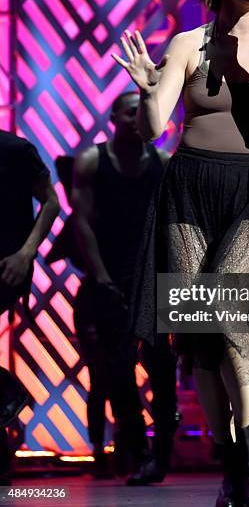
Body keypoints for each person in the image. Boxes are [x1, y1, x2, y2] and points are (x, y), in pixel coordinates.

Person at [113, 0, 249, 507]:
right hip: (190, 187)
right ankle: (231, 464)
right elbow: (153, 126)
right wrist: (149, 91)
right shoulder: (188, 42)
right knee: (197, 334)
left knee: (225, 302)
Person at [71, 92, 179, 481]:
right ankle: (135, 448)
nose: (137, 118)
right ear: (114, 116)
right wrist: (100, 275)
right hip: (109, 280)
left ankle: (161, 451)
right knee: (116, 371)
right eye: (131, 111)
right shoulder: (91, 162)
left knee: (162, 367)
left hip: (150, 279)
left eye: (143, 112)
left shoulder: (161, 163)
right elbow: (82, 223)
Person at [0, 130, 60, 483]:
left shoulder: (15, 149)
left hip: (9, 263)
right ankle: (8, 394)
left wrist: (26, 253)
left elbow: (50, 201)